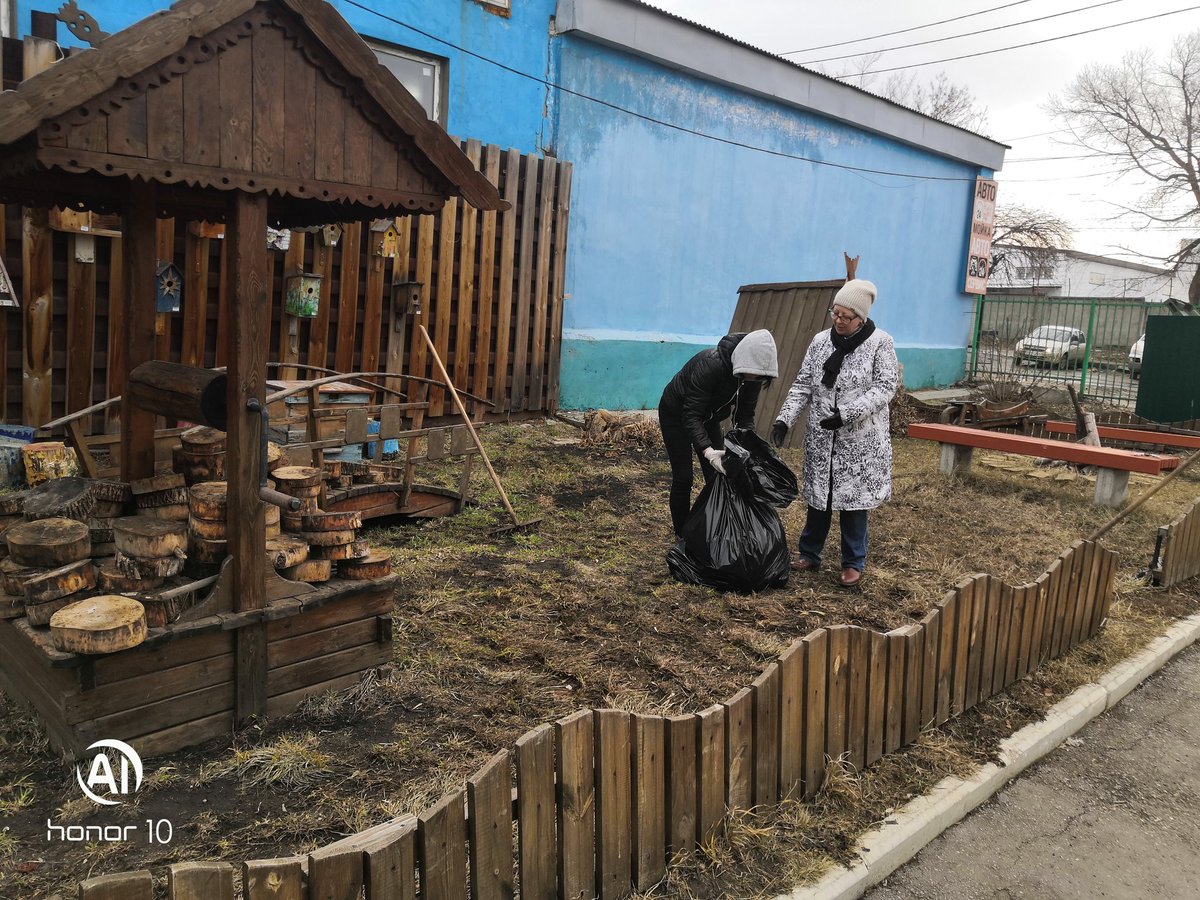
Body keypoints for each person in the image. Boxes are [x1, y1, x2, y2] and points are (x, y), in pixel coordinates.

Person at [770, 279, 899, 587]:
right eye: (835, 313)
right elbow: (803, 384)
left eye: (846, 316)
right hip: (822, 435)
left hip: (860, 439)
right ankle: (809, 553)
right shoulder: (819, 342)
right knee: (819, 497)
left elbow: (884, 388)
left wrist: (846, 414)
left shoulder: (880, 342)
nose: (839, 321)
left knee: (853, 503)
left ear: (861, 318)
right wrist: (784, 420)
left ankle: (853, 562)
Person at [658, 329, 779, 538]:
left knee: (717, 476)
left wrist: (744, 446)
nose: (756, 380)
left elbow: (745, 415)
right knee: (684, 477)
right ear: (743, 361)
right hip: (676, 416)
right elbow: (691, 415)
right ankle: (681, 535)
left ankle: (714, 530)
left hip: (709, 418)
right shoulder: (710, 364)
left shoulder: (752, 375)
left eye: (760, 377)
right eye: (755, 375)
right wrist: (707, 450)